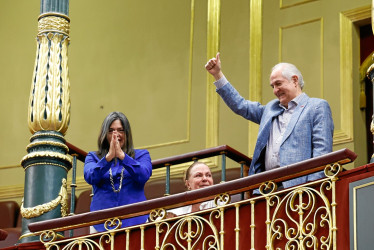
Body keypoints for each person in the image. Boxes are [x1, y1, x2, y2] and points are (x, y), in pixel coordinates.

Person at [205, 53, 334, 189]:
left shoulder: (316, 107)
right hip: (268, 189)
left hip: (301, 188)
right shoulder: (270, 109)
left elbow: (322, 153)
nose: (275, 90)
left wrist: (313, 188)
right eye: (272, 86)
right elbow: (240, 105)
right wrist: (217, 75)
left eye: (278, 84)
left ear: (295, 80)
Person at [84, 111, 153, 232]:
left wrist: (122, 156)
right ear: (105, 134)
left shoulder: (141, 155)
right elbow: (90, 177)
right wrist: (108, 158)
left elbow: (143, 175)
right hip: (101, 224)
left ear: (127, 133)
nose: (116, 135)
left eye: (120, 130)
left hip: (135, 221)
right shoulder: (93, 157)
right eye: (111, 131)